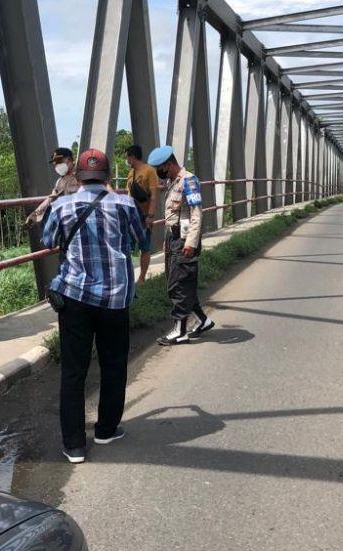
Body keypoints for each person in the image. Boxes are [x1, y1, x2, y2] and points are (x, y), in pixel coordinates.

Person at [41, 148, 145, 464]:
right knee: (114, 364)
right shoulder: (126, 204)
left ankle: (74, 445)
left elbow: (48, 241)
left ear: (79, 176)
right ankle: (106, 429)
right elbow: (140, 239)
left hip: (75, 298)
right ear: (108, 175)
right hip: (115, 298)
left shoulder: (61, 205)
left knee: (74, 370)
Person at [147, 146, 214, 346]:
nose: (159, 172)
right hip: (174, 238)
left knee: (179, 285)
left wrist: (191, 242)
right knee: (179, 282)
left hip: (185, 241)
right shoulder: (172, 182)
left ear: (169, 164)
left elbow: (196, 213)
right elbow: (173, 215)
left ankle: (180, 331)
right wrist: (168, 236)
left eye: (160, 167)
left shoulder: (188, 180)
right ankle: (203, 320)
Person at [125, 144, 160, 283]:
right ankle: (129, 276)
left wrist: (150, 215)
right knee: (127, 246)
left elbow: (153, 195)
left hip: (145, 215)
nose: (126, 161)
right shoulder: (130, 174)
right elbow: (128, 193)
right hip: (131, 215)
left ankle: (142, 277)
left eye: (127, 157)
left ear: (132, 157)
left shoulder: (149, 171)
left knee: (144, 246)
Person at [26, 147, 80, 226]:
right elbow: (50, 199)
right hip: (67, 222)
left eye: (59, 161)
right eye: (55, 163)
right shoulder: (60, 182)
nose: (56, 165)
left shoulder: (83, 175)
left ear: (69, 159)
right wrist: (34, 216)